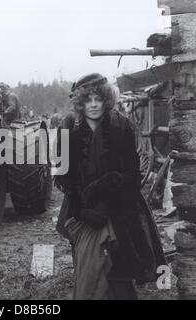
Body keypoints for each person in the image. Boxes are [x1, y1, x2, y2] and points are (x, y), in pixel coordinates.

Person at [54, 73, 166, 300]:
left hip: (119, 205)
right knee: (89, 262)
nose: (94, 105)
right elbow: (63, 176)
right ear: (80, 102)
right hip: (81, 207)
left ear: (106, 99)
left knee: (119, 264)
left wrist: (108, 200)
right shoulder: (67, 127)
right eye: (88, 100)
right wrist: (82, 210)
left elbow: (132, 176)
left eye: (98, 99)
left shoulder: (121, 125)